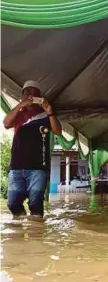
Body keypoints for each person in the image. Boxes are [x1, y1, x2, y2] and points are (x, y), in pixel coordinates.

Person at [3, 80, 62, 220]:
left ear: (39, 96)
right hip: (17, 166)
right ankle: (20, 225)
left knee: (36, 203)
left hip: (38, 167)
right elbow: (6, 123)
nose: (30, 94)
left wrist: (50, 112)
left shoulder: (45, 115)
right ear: (22, 95)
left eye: (34, 92)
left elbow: (58, 131)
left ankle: (36, 235)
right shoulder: (18, 113)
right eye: (27, 92)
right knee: (12, 203)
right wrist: (20, 105)